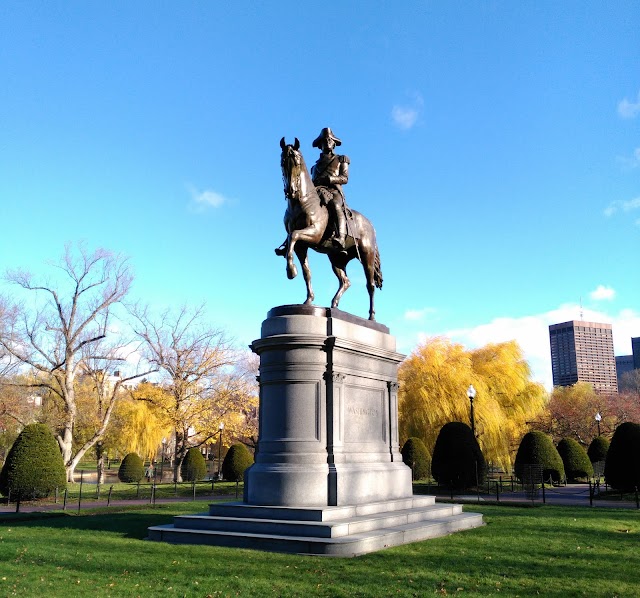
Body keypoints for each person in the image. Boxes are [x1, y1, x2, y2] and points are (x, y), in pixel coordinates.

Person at [310, 127, 350, 251]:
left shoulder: (341, 159)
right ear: (320, 145)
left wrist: (330, 179)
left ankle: (341, 237)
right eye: (324, 141)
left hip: (334, 191)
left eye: (330, 140)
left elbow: (344, 178)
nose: (327, 142)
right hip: (318, 192)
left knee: (335, 205)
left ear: (334, 143)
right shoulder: (314, 167)